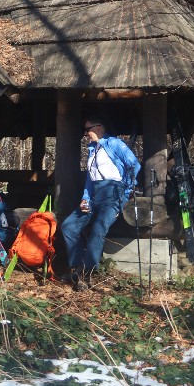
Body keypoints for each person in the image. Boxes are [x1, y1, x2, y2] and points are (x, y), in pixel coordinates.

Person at [60, 118, 141, 290]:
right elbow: (90, 179)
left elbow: (134, 166)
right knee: (69, 226)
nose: (86, 133)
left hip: (113, 193)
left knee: (98, 229)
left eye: (88, 129)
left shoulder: (115, 144)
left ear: (100, 127)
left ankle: (88, 274)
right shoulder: (92, 150)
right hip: (95, 195)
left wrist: (124, 195)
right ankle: (77, 266)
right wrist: (85, 199)